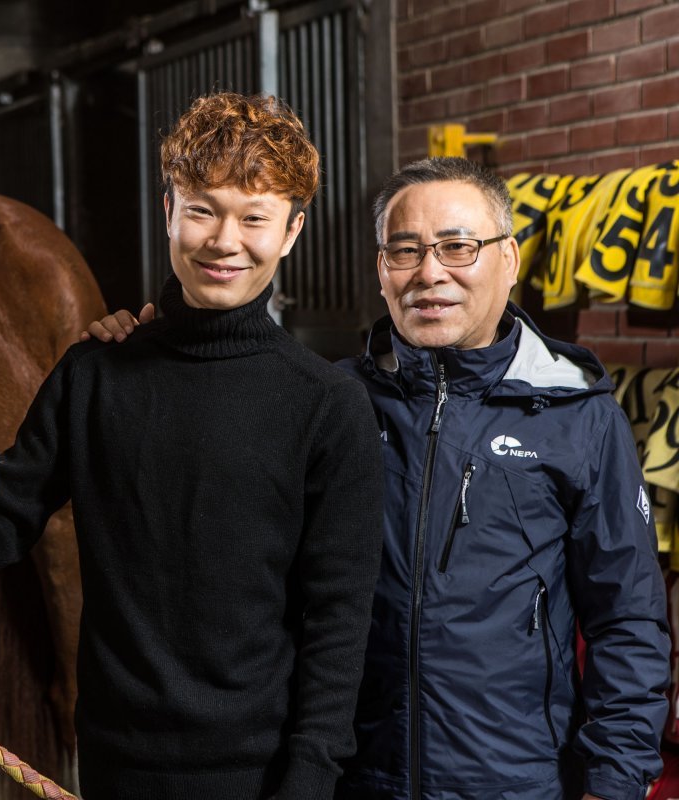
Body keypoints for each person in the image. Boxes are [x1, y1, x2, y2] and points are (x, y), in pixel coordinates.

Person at [0, 92, 386, 799]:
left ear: (290, 233)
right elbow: (4, 514)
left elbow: (339, 617)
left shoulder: (328, 406)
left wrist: (311, 777)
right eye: (202, 210)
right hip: (114, 764)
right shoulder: (95, 374)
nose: (226, 241)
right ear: (169, 211)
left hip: (262, 775)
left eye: (254, 218)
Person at [87, 156, 670, 800]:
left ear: (509, 260)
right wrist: (150, 352)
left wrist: (615, 779)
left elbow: (628, 617)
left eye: (458, 247)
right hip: (347, 776)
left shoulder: (577, 414)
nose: (430, 272)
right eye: (405, 250)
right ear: (381, 272)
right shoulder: (327, 402)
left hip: (514, 779)